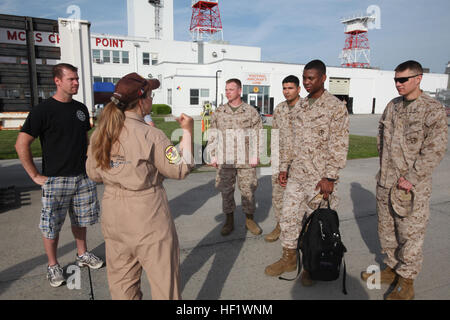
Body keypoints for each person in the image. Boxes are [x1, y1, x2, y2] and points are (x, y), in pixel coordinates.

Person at [86, 72, 194, 300]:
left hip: (114, 213)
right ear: (141, 100)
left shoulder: (101, 134)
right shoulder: (151, 135)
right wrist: (187, 131)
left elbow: (93, 174)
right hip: (147, 214)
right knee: (165, 284)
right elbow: (180, 168)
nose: (152, 101)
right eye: (151, 96)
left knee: (122, 284)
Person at [361, 60, 448, 300]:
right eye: (396, 80)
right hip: (386, 182)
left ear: (418, 78)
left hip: (411, 187)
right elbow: (381, 137)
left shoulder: (432, 109)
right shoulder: (393, 106)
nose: (398, 84)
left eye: (403, 80)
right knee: (387, 231)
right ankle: (391, 268)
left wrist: (411, 177)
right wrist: (383, 171)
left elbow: (435, 149)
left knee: (410, 234)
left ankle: (407, 281)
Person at [15, 63, 103, 288]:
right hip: (56, 180)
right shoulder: (42, 110)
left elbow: (83, 141)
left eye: (77, 79)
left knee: (81, 220)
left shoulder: (81, 109)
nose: (76, 83)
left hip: (82, 178)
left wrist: (91, 163)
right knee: (51, 225)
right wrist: (35, 175)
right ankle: (53, 266)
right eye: (71, 79)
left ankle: (82, 255)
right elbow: (21, 143)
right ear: (57, 81)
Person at [265, 60, 349, 286]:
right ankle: (289, 258)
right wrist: (284, 166)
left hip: (319, 179)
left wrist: (330, 176)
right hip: (297, 174)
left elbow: (339, 143)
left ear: (323, 78)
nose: (307, 82)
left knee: (315, 226)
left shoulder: (335, 107)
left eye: (311, 78)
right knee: (289, 217)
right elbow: (290, 140)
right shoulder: (301, 106)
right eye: (305, 78)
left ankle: (312, 265)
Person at [207, 78, 263, 236]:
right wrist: (212, 155)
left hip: (245, 159)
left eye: (231, 89)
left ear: (239, 91)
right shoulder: (219, 111)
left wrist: (256, 155)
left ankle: (249, 220)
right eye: (226, 90)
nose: (227, 92)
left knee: (248, 190)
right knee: (226, 191)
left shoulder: (250, 111)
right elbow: (212, 134)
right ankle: (229, 220)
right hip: (225, 159)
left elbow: (258, 134)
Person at [265, 75, 303, 242]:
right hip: (279, 160)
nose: (286, 91)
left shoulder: (306, 109)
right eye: (284, 88)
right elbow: (274, 134)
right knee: (278, 196)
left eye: (290, 88)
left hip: (299, 162)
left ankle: (300, 230)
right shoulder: (279, 108)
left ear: (298, 89)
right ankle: (280, 226)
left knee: (299, 199)